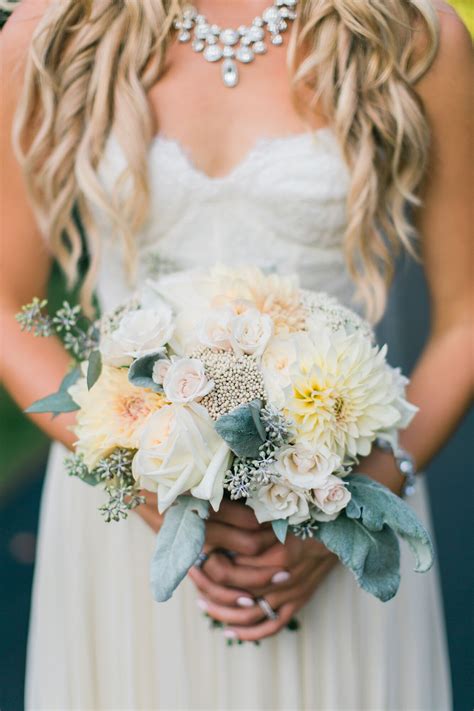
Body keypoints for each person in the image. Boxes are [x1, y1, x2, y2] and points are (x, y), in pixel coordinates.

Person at [0, 0, 471, 708]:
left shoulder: (410, 32)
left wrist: (358, 501)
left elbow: (465, 316)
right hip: (128, 525)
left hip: (345, 518)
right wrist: (142, 477)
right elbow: (6, 304)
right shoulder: (53, 28)